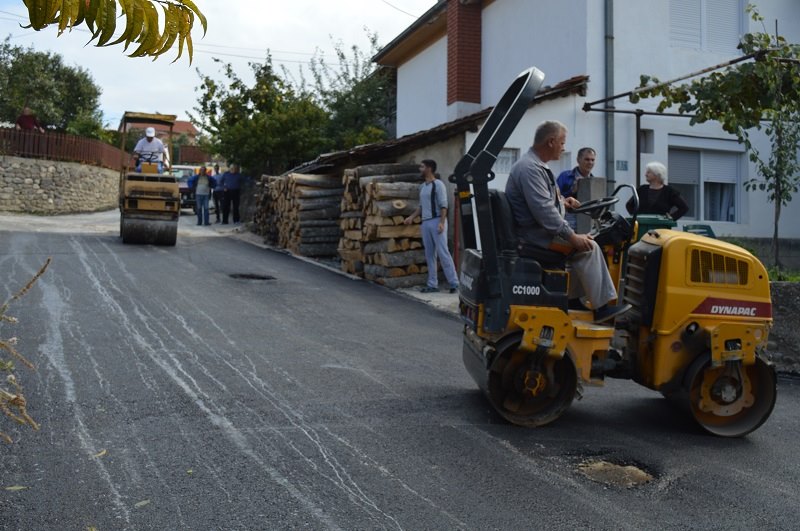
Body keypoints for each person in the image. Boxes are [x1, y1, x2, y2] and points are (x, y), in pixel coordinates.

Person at [505, 120, 629, 324]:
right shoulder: (531, 169)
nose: (564, 148)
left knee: (583, 244)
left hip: (535, 231)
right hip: (536, 237)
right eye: (562, 143)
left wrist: (564, 201)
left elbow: (543, 201)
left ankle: (573, 301)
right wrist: (572, 236)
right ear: (551, 142)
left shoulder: (535, 165)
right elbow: (544, 211)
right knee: (589, 247)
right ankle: (602, 308)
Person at [403, 159, 459, 294]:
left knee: (443, 252)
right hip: (426, 222)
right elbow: (421, 207)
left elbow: (444, 205)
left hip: (436, 221)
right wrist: (411, 217)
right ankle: (432, 284)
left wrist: (441, 222)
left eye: (422, 167)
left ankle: (454, 283)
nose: (420, 169)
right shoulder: (423, 187)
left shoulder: (438, 185)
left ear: (429, 168)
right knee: (429, 254)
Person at [556, 147, 596, 230]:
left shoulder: (595, 182)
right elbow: (555, 198)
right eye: (587, 159)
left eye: (592, 160)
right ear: (578, 160)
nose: (590, 162)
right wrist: (572, 191)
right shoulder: (565, 176)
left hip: (587, 224)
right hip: (567, 222)